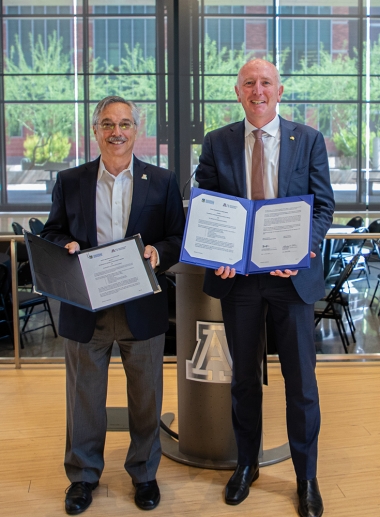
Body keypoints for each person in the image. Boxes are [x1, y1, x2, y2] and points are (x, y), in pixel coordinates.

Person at [195, 59, 334, 517]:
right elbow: (209, 205)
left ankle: (306, 478)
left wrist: (302, 250)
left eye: (266, 83)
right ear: (238, 92)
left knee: (301, 385)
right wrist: (217, 252)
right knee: (243, 382)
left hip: (291, 282)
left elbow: (323, 209)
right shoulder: (217, 143)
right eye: (249, 83)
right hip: (240, 282)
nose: (258, 90)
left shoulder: (308, 139)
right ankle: (246, 466)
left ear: (280, 90)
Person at [41, 96, 185, 515]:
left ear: (136, 130)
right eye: (107, 124)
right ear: (95, 131)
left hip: (142, 307)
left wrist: (158, 253)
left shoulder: (160, 181)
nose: (116, 132)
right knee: (84, 398)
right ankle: (83, 477)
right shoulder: (71, 180)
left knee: (146, 397)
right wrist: (62, 245)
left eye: (124, 124)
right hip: (86, 309)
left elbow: (178, 238)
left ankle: (143, 474)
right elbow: (51, 233)